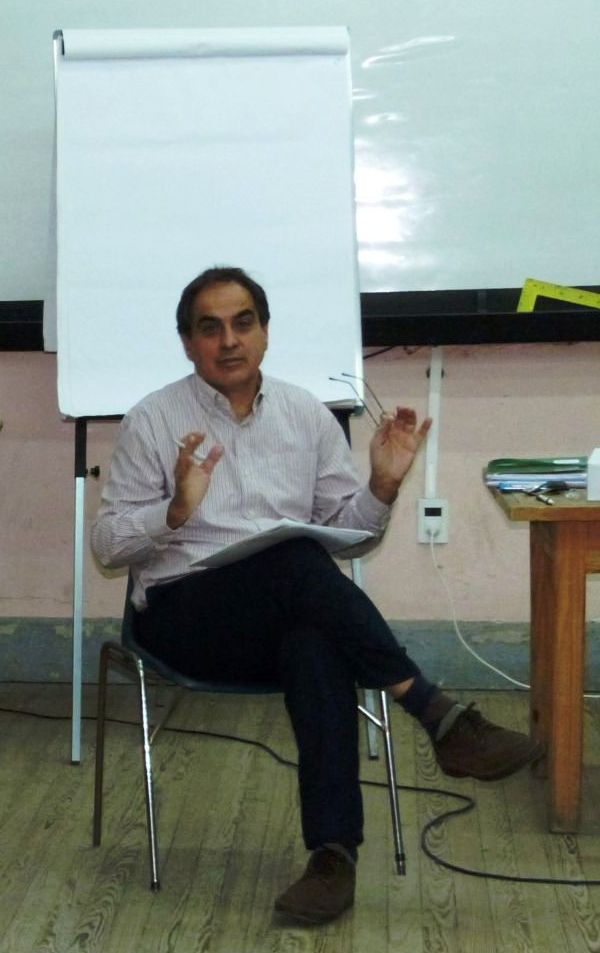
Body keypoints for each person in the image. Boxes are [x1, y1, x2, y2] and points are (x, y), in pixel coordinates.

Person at [91, 266, 542, 925]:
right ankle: (435, 712)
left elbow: (350, 535)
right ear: (187, 343)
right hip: (184, 617)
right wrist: (174, 511)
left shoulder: (305, 414)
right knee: (296, 560)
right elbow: (107, 545)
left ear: (265, 332)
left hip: (278, 618)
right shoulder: (152, 420)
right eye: (210, 328)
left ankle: (333, 856)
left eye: (243, 323)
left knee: (315, 640)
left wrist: (382, 486)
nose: (229, 340)